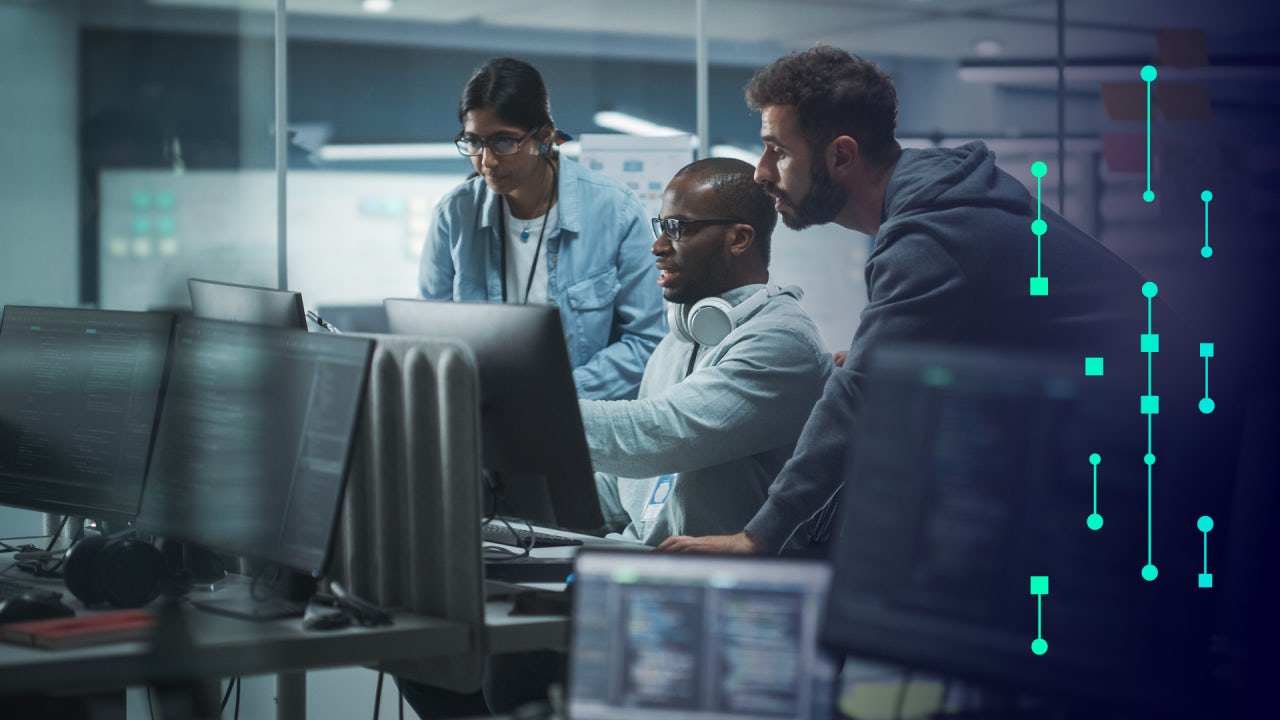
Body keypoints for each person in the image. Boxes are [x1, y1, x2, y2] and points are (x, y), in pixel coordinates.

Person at [658, 46, 1152, 555]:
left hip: (1142, 458)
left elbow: (858, 400)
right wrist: (889, 360)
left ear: (841, 156)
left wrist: (756, 537)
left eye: (777, 150)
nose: (761, 171)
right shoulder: (930, 204)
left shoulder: (931, 234)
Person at [581, 157, 834, 545]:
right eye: (661, 226)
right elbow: (625, 490)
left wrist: (536, 417)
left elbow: (658, 434)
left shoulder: (783, 343)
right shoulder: (678, 341)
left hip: (723, 587)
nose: (658, 246)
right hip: (639, 559)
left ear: (739, 239)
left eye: (677, 229)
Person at [419, 57, 664, 400]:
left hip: (580, 425)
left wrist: (555, 395)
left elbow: (646, 341)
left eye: (504, 142)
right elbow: (430, 338)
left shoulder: (615, 210)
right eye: (474, 142)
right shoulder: (453, 214)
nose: (487, 160)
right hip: (483, 421)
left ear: (545, 137)